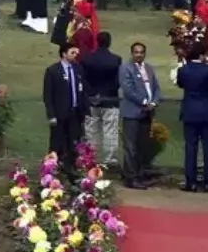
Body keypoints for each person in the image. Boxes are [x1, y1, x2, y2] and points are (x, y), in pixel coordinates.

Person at [175, 44, 208, 192]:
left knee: (191, 147)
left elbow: (180, 84)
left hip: (189, 112)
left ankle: (190, 182)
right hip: (207, 112)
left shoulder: (183, 70)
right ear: (202, 55)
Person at [118, 41, 160, 188]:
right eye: (136, 52)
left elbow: (156, 87)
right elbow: (128, 90)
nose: (139, 55)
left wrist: (153, 102)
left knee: (142, 146)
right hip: (132, 112)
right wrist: (144, 102)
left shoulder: (148, 68)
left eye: (141, 52)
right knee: (130, 146)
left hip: (147, 112)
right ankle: (131, 177)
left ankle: (140, 174)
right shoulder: (125, 68)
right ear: (132, 53)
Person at [81, 30, 123, 168]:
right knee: (110, 130)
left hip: (91, 99)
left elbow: (83, 79)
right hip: (110, 100)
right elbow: (118, 81)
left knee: (91, 130)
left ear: (97, 42)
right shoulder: (116, 60)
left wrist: (94, 93)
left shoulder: (87, 59)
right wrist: (105, 93)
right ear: (109, 42)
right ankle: (110, 160)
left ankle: (89, 158)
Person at [43, 42, 89, 166]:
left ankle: (71, 167)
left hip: (75, 113)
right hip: (59, 113)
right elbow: (48, 95)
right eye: (72, 53)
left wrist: (85, 110)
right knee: (57, 142)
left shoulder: (78, 69)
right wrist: (51, 114)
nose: (75, 55)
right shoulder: (53, 71)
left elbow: (83, 90)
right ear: (64, 54)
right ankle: (52, 169)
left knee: (73, 142)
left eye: (76, 53)